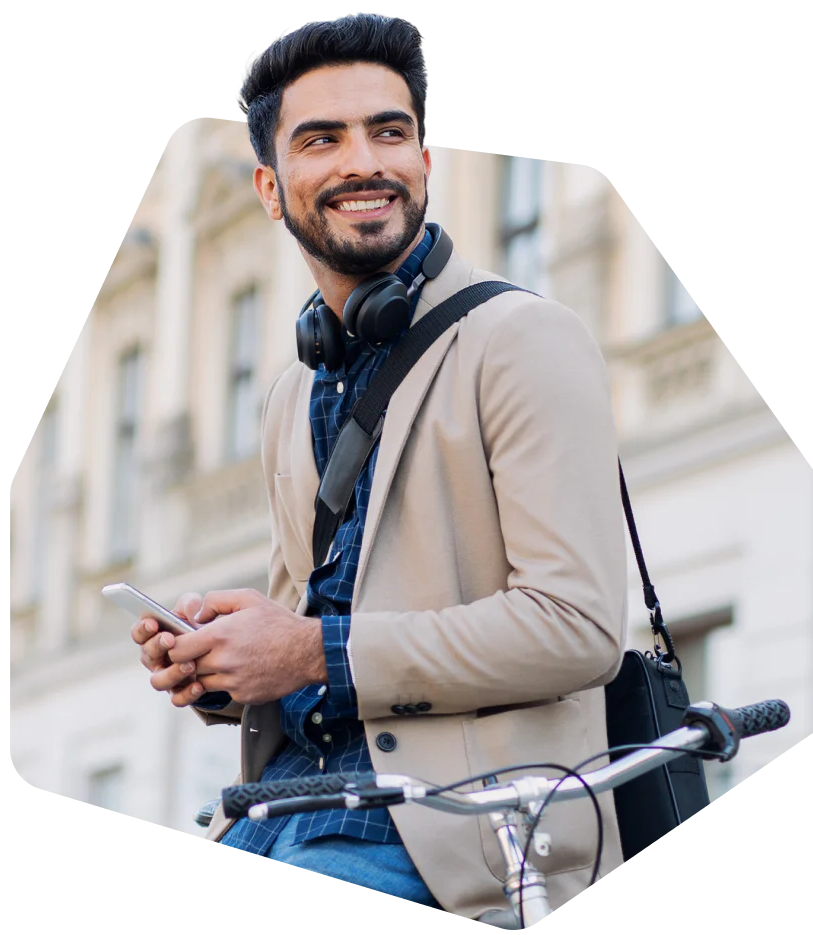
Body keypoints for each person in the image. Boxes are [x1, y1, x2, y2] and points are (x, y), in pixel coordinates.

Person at [129, 12, 628, 923]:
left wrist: (309, 652)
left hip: (453, 832)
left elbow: (577, 626)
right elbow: (304, 641)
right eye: (324, 139)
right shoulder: (290, 393)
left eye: (389, 131)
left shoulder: (523, 339)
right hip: (282, 807)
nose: (365, 160)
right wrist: (226, 666)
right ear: (271, 189)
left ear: (425, 163)